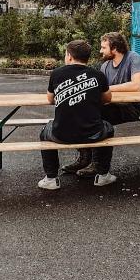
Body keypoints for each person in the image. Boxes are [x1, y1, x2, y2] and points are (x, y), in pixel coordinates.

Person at [61, 31, 140, 180]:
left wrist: (107, 88)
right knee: (78, 112)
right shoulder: (105, 65)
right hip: (111, 105)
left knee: (93, 117)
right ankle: (84, 157)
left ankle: (95, 163)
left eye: (103, 47)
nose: (100, 51)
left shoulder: (133, 58)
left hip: (130, 107)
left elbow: (137, 85)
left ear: (114, 47)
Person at [38, 40, 114, 190]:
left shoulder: (57, 74)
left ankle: (51, 178)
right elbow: (107, 99)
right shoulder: (98, 75)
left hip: (61, 134)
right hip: (93, 133)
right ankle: (103, 175)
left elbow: (50, 99)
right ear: (87, 57)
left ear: (70, 56)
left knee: (44, 132)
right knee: (109, 128)